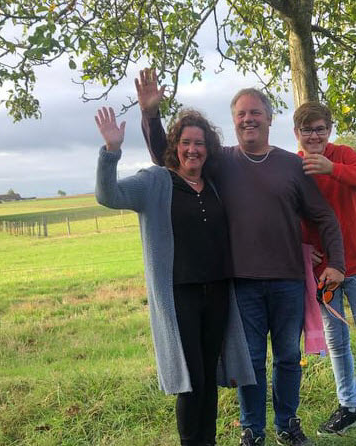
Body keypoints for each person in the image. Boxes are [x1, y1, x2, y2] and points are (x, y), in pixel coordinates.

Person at [136, 69, 346, 446]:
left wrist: (336, 263)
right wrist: (151, 116)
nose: (248, 119)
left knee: (286, 358)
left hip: (286, 282)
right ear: (234, 122)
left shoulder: (292, 166)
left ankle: (287, 424)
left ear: (268, 118)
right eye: (240, 115)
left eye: (255, 113)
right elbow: (171, 157)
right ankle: (253, 429)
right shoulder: (221, 162)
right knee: (250, 363)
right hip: (240, 284)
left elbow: (324, 216)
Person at [94, 106, 255, 446]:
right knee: (192, 378)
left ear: (207, 149)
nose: (192, 149)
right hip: (180, 296)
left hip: (218, 293)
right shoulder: (155, 182)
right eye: (185, 142)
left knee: (209, 376)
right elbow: (108, 196)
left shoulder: (212, 185)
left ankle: (207, 441)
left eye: (199, 143)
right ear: (175, 147)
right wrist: (111, 151)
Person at [294, 101, 356, 436]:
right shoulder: (294, 167)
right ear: (297, 134)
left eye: (320, 129)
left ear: (329, 130)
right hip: (323, 273)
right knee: (336, 341)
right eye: (308, 130)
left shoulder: (344, 155)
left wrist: (333, 169)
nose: (315, 136)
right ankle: (349, 407)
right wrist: (305, 249)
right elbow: (290, 215)